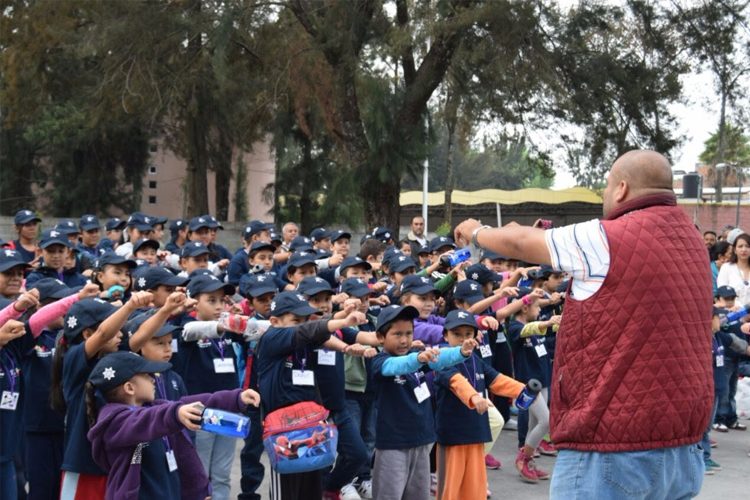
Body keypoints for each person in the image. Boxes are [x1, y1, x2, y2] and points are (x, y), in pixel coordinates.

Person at [455, 150, 712, 499]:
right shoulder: (694, 241)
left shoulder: (606, 238)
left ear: (621, 188)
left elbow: (521, 243)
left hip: (611, 448)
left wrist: (477, 232)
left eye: (606, 186)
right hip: (683, 446)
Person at [85, 350, 261, 500]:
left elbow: (198, 402)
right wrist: (175, 414)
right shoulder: (114, 422)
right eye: (147, 376)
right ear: (129, 388)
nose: (154, 379)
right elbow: (144, 420)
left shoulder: (155, 408)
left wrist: (236, 398)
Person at [370, 305, 477, 500]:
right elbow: (397, 365)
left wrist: (460, 352)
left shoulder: (417, 357)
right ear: (380, 337)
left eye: (409, 333)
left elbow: (439, 358)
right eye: (397, 334)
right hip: (393, 444)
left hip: (423, 441)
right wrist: (418, 358)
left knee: (419, 495)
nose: (404, 340)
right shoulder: (380, 361)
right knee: (389, 495)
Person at [433, 309, 528, 500]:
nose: (463, 339)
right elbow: (455, 381)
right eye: (456, 334)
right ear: (445, 335)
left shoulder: (475, 359)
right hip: (453, 438)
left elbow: (497, 380)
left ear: (476, 336)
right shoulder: (441, 358)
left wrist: (523, 390)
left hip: (476, 433)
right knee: (450, 490)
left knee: (475, 489)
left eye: (468, 334)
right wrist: (474, 397)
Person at [717, 232, 750, 304]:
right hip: (732, 312)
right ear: (735, 250)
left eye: (747, 246)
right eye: (740, 246)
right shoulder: (726, 268)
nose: (744, 249)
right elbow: (722, 291)